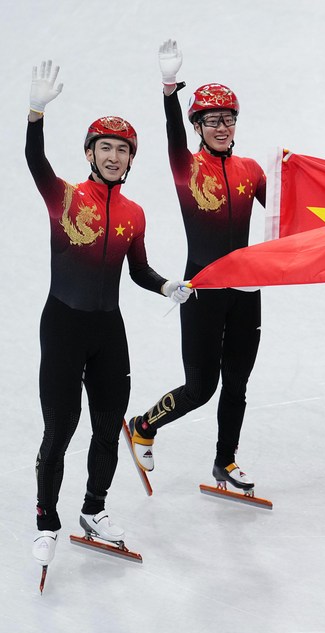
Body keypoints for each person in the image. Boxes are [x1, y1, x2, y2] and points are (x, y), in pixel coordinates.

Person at [26, 61, 191, 567]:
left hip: (107, 330)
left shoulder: (134, 213)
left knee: (105, 425)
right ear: (90, 153)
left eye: (123, 150)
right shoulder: (65, 196)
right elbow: (35, 162)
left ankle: (93, 510)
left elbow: (137, 270)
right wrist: (36, 113)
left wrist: (167, 284)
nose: (115, 156)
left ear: (130, 159)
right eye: (106, 148)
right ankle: (46, 520)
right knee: (60, 427)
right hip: (63, 325)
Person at [127, 40, 266, 492]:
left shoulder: (251, 170)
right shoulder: (187, 166)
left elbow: (291, 209)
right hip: (202, 289)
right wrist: (170, 90)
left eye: (228, 119)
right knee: (202, 386)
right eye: (212, 120)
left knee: (238, 383)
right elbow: (171, 135)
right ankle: (143, 425)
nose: (222, 127)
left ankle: (225, 461)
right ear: (198, 126)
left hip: (245, 291)